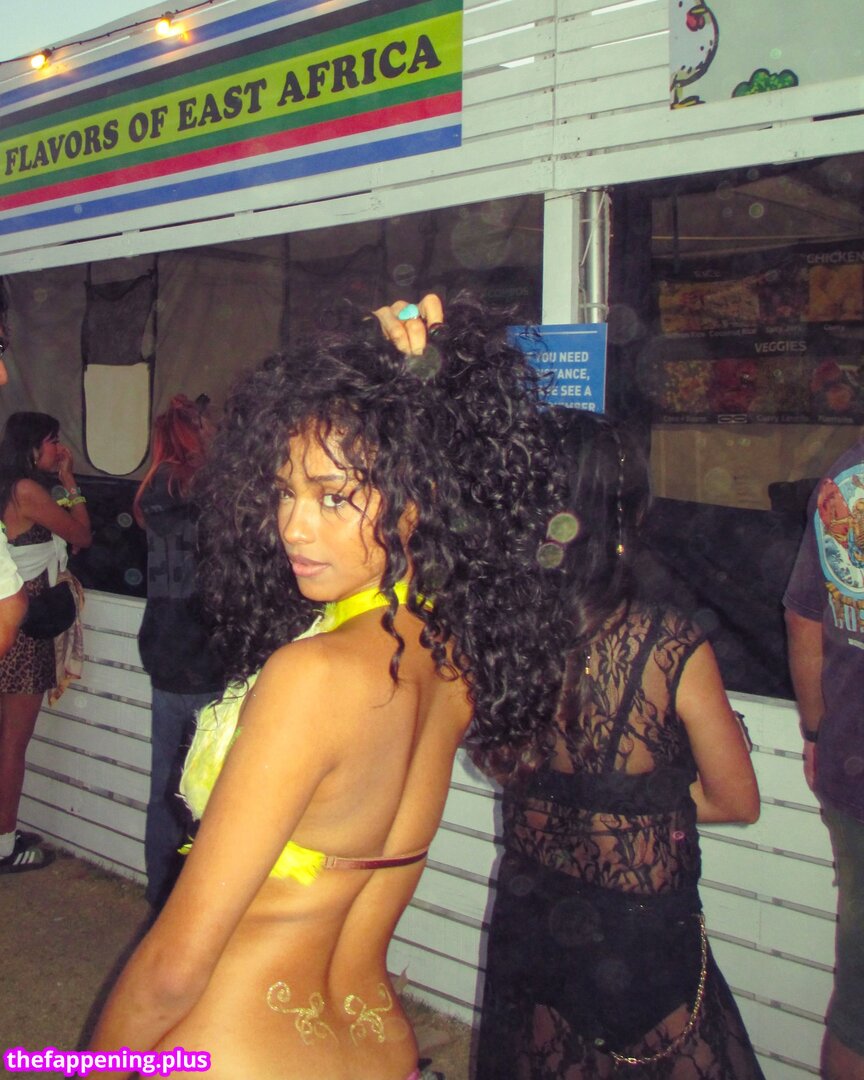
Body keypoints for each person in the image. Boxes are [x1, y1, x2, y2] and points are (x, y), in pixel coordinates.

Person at [88, 294, 562, 1079]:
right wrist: (398, 375)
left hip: (241, 1047)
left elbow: (173, 969)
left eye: (332, 495)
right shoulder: (455, 656)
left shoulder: (313, 676)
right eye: (284, 490)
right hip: (379, 1044)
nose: (293, 527)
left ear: (422, 497)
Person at [473, 409, 764, 1079]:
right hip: (636, 935)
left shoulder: (499, 633)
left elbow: (508, 764)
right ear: (623, 514)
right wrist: (636, 800)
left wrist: (590, 799)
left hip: (533, 912)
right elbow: (735, 800)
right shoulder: (667, 644)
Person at [784, 434, 864, 1080]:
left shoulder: (848, 474)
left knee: (860, 1005)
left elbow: (803, 620)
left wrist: (816, 732)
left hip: (854, 761)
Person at [132, 394, 224, 912]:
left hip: (165, 647)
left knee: (166, 784)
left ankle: (161, 895)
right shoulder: (204, 491)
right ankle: (197, 904)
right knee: (211, 790)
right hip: (205, 650)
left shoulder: (152, 493)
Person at [0, 411, 92, 875]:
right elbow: (82, 534)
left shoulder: (8, 488)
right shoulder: (27, 491)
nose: (59, 449)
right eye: (53, 441)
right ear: (32, 446)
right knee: (12, 745)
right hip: (22, 631)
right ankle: (4, 846)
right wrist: (70, 482)